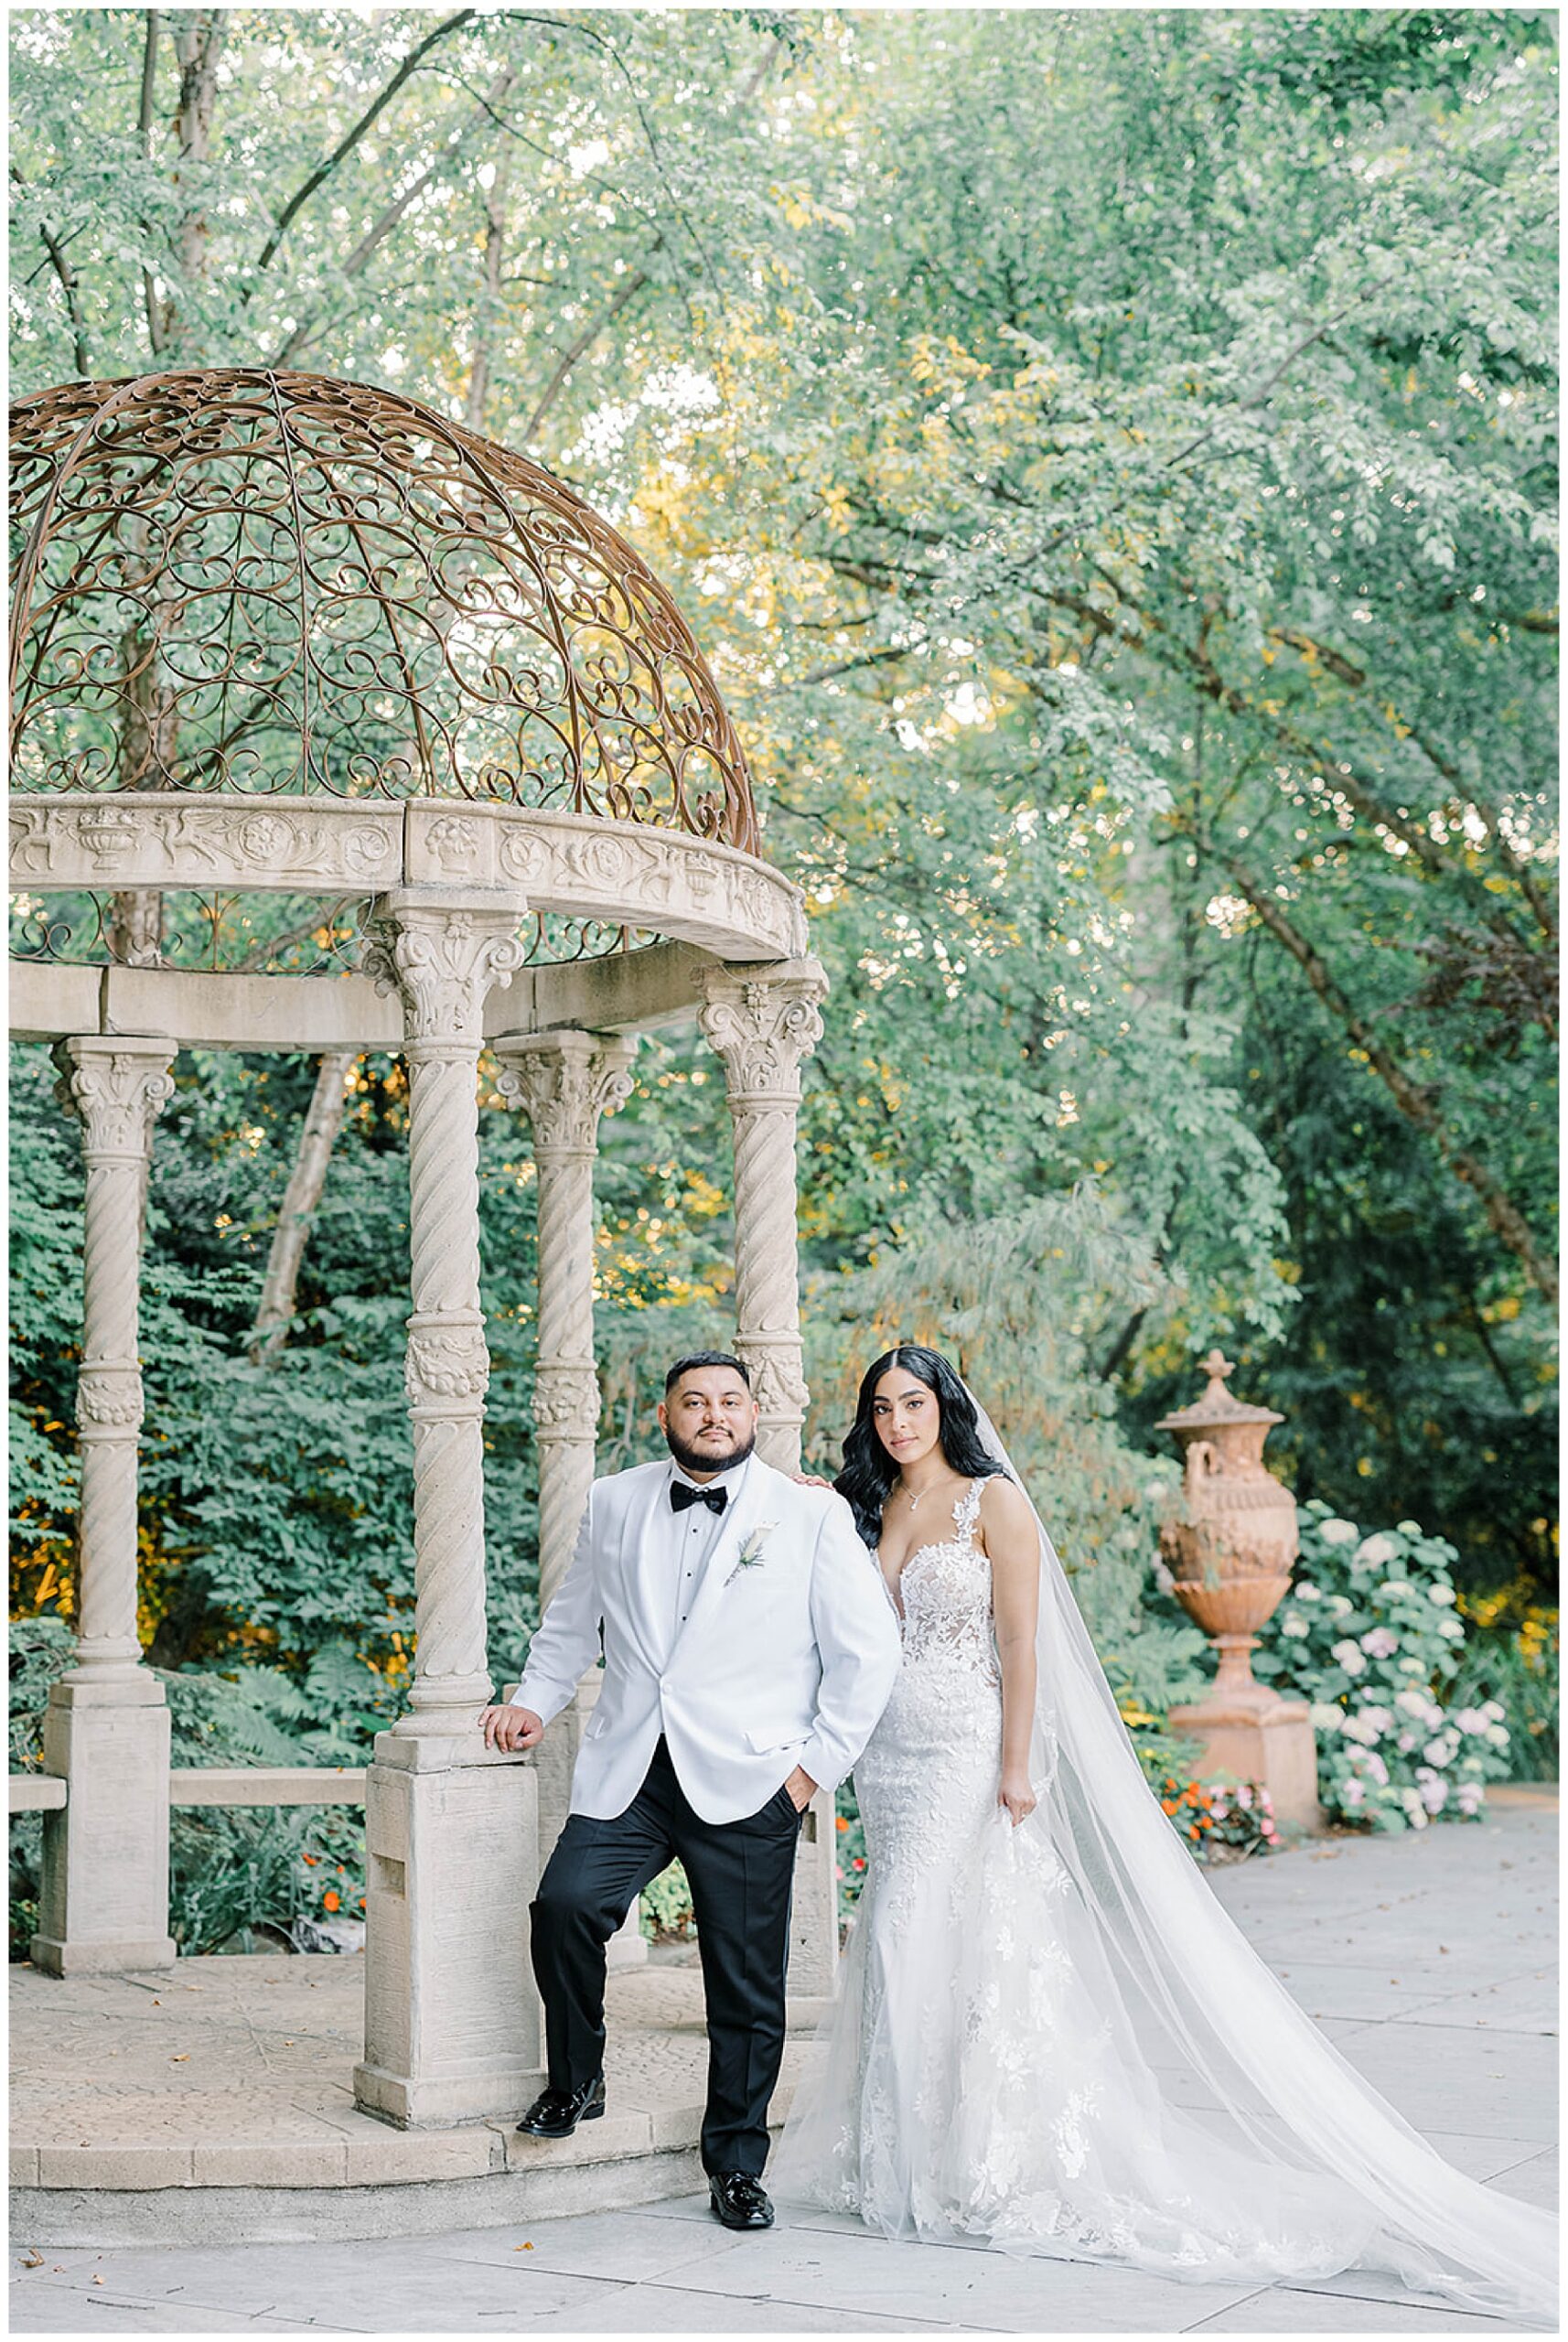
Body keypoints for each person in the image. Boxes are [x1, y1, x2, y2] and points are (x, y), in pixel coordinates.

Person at [775, 1345, 1557, 2327]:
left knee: (950, 1943)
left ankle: (976, 2156)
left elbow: (1019, 1643)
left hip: (968, 1754)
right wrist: (816, 1503)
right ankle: (904, 2151)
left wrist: (1017, 1766)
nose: (896, 1422)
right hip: (889, 1760)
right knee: (900, 1941)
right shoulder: (870, 1507)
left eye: (914, 1403)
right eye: (881, 1407)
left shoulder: (992, 1502)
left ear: (946, 1407)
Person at [480, 1350, 900, 2234]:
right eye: (696, 1401)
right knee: (563, 1909)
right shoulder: (613, 1500)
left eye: (731, 1401)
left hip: (754, 1778)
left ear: (754, 1414)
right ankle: (577, 2080)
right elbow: (571, 1623)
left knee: (745, 1985)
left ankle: (737, 2163)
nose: (715, 1414)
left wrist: (809, 1772)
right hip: (632, 1770)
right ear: (665, 1414)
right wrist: (531, 1701)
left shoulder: (810, 1514)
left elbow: (868, 1656)